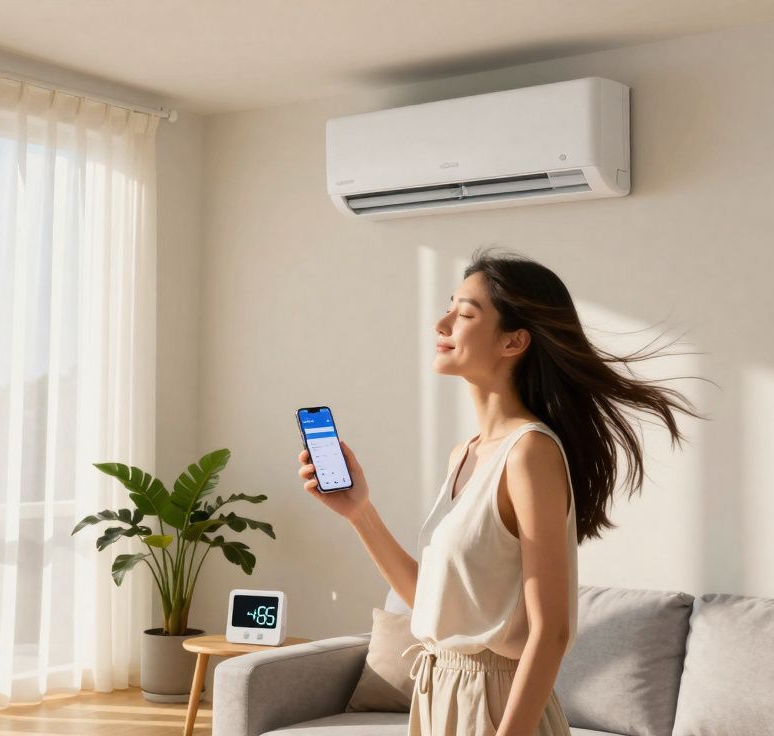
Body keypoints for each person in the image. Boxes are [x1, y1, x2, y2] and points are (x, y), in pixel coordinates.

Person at [297, 247, 706, 735]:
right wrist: (359, 512)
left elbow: (550, 632)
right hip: (439, 699)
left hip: (496, 708)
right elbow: (434, 602)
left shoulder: (529, 453)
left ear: (513, 342)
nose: (441, 323)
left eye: (465, 313)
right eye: (449, 306)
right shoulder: (465, 453)